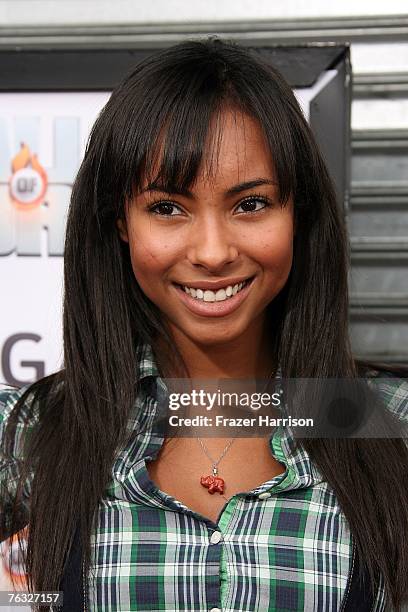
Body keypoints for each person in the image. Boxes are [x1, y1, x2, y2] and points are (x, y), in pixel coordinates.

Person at [1, 38, 408, 612]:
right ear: (121, 221)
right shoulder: (28, 436)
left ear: (298, 214)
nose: (213, 252)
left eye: (251, 204)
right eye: (168, 207)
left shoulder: (390, 427)